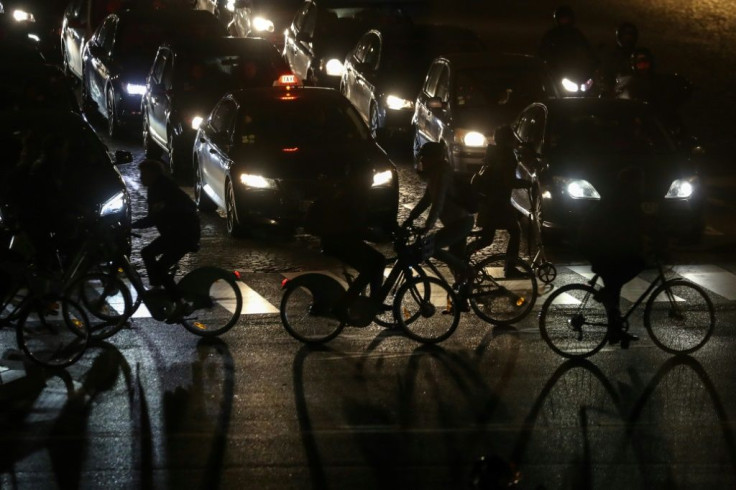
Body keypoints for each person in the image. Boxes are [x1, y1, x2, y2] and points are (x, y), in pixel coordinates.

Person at [577, 166, 659, 346]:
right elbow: (632, 227)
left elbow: (631, 228)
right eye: (641, 181)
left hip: (596, 243)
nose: (643, 185)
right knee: (635, 264)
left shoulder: (620, 195)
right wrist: (652, 244)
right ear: (635, 182)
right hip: (598, 245)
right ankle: (611, 314)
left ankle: (615, 330)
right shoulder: (627, 199)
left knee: (615, 282)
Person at [304, 162, 387, 320]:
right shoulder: (354, 196)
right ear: (360, 177)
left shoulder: (350, 191)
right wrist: (377, 236)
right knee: (372, 266)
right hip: (339, 241)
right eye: (369, 176)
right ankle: (343, 307)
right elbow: (356, 226)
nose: (371, 180)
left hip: (340, 239)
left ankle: (375, 301)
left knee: (377, 262)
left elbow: (364, 220)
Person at [131, 159, 200, 320]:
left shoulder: (164, 189)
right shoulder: (156, 188)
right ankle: (157, 286)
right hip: (173, 233)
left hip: (183, 235)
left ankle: (181, 303)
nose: (141, 178)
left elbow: (154, 218)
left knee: (160, 267)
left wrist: (131, 225)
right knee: (147, 253)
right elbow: (153, 217)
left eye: (144, 174)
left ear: (153, 174)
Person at [402, 142, 474, 289]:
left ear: (434, 158)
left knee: (431, 248)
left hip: (461, 222)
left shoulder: (442, 175)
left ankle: (468, 272)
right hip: (455, 222)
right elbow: (426, 200)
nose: (421, 160)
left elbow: (438, 203)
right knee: (456, 262)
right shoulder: (435, 175)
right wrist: (411, 217)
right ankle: (463, 297)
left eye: (425, 157)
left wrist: (428, 226)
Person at [466, 126, 530, 276]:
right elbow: (508, 181)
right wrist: (527, 184)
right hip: (499, 202)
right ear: (508, 139)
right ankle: (510, 267)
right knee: (515, 232)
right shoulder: (507, 155)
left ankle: (464, 255)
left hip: (489, 201)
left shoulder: (493, 153)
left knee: (487, 238)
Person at [597, 21, 639, 97]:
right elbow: (605, 76)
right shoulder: (611, 56)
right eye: (625, 35)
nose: (628, 38)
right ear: (619, 36)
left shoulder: (639, 56)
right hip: (616, 94)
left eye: (630, 35)